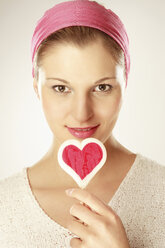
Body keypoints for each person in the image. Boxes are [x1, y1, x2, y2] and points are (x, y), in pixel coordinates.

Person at [0, 0, 165, 247]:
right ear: (37, 89)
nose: (81, 113)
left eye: (102, 87)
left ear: (125, 84)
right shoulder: (5, 205)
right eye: (61, 88)